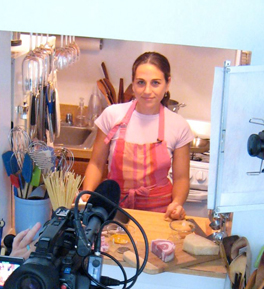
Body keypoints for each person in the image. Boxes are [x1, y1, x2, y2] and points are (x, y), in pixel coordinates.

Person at [83, 52, 194, 219]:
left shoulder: (179, 126)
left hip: (160, 214)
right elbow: (97, 163)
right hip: (114, 209)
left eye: (155, 83)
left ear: (167, 83)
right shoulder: (112, 115)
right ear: (133, 84)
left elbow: (181, 178)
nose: (147, 91)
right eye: (141, 83)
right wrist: (87, 196)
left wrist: (177, 203)